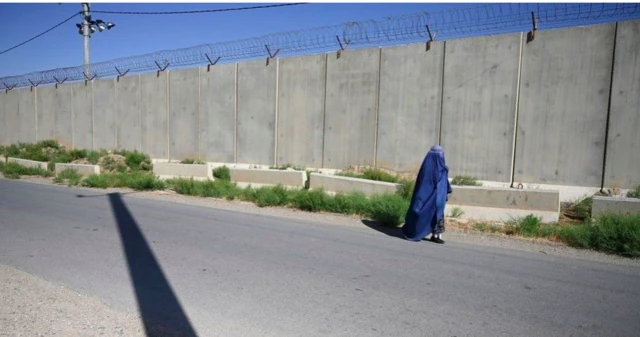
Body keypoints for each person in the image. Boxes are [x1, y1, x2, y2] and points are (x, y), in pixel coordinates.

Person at [401, 145, 453, 244]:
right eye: (440, 154)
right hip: (427, 195)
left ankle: (436, 235)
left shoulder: (436, 167)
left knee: (437, 214)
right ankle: (414, 232)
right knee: (420, 211)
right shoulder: (432, 168)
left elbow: (443, 182)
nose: (441, 157)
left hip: (436, 197)